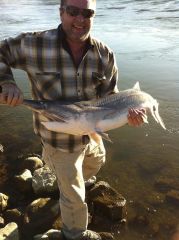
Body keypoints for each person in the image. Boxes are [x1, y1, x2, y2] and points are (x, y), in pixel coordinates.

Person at [0, 0, 146, 239]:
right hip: (59, 140)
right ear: (61, 12)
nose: (80, 19)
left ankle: (63, 179)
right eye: (72, 11)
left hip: (90, 135)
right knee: (75, 196)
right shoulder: (35, 44)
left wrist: (130, 117)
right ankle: (74, 233)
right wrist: (6, 81)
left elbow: (112, 98)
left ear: (94, 15)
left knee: (96, 163)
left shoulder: (105, 54)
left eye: (87, 13)